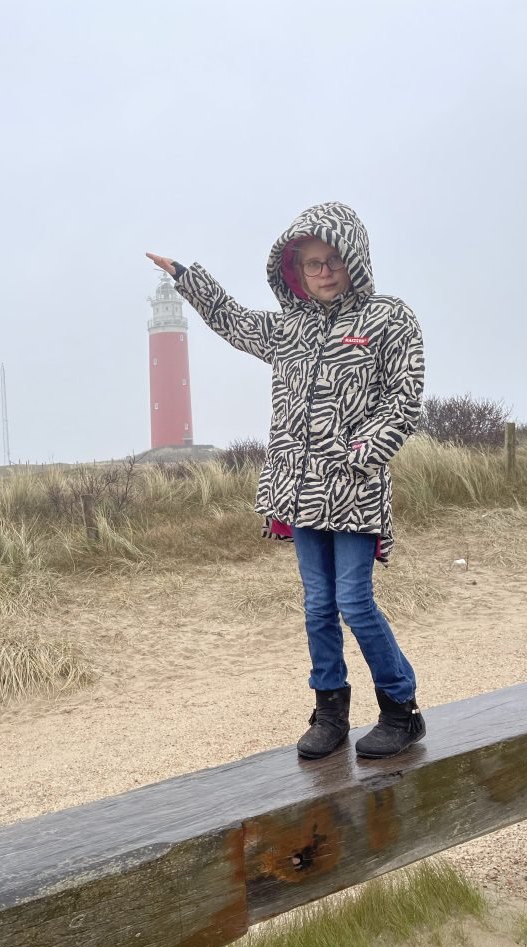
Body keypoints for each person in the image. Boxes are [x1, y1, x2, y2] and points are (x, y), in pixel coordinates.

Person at [146, 201, 426, 760]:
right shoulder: (288, 329)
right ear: (293, 270)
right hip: (297, 490)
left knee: (354, 601)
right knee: (317, 605)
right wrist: (186, 278)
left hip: (353, 490)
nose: (322, 272)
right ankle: (330, 711)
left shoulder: (389, 318)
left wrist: (362, 452)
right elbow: (232, 320)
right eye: (311, 263)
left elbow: (406, 400)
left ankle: (401, 709)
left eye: (332, 260)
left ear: (355, 261)